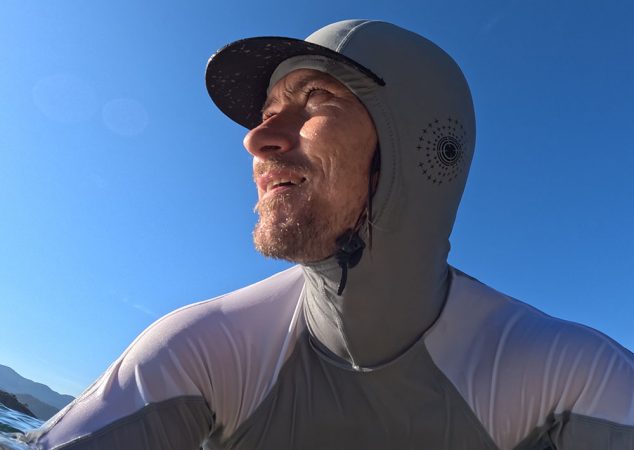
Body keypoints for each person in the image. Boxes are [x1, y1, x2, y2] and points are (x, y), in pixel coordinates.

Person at [24, 19, 634, 450]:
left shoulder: (568, 372)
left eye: (313, 99)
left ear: (427, 149)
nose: (257, 139)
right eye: (266, 114)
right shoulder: (205, 349)